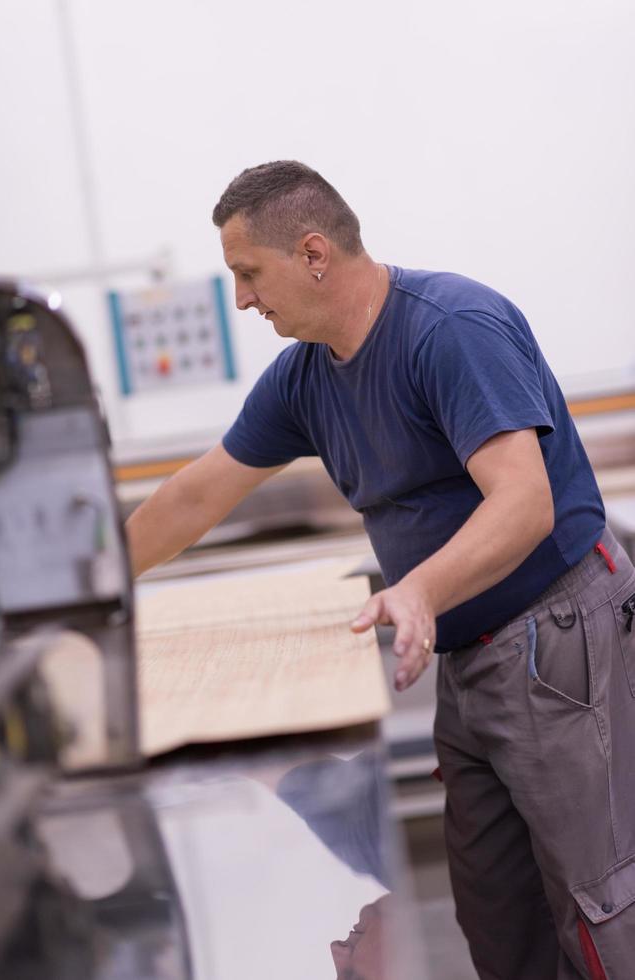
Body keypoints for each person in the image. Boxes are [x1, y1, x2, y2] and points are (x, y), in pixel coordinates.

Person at [127, 160, 635, 979]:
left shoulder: (450, 329)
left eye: (249, 274)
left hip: (554, 636)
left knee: (597, 905)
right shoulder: (305, 379)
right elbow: (194, 497)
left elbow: (523, 503)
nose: (243, 300)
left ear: (315, 253)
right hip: (469, 655)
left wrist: (421, 590)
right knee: (500, 916)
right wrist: (92, 589)